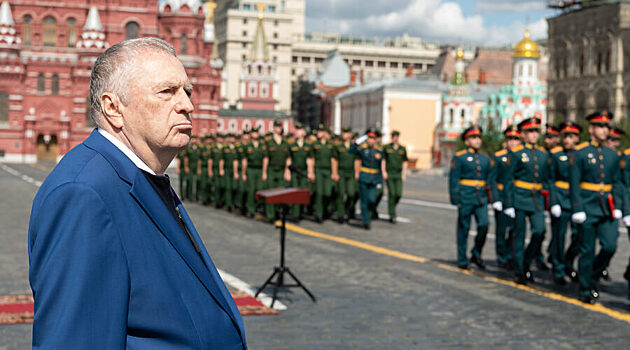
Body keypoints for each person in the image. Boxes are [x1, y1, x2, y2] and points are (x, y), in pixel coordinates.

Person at [28, 38, 247, 348]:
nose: (187, 105)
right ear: (113, 108)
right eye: (167, 92)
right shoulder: (84, 195)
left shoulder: (142, 175)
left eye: (187, 91)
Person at [570, 110, 628, 304]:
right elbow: (574, 182)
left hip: (606, 208)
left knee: (610, 246)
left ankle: (592, 276)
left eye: (607, 127)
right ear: (591, 129)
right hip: (587, 206)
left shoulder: (612, 154)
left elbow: (618, 182)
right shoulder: (580, 153)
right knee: (587, 250)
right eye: (601, 127)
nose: (605, 130)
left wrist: (620, 206)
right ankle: (585, 287)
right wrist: (577, 207)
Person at [503, 117, 549, 285]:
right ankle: (519, 271)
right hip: (520, 198)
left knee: (540, 231)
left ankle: (526, 261)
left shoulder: (543, 155)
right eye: (530, 132)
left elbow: (547, 179)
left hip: (536, 199)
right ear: (523, 135)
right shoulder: (516, 154)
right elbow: (508, 180)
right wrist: (508, 203)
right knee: (519, 236)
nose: (534, 135)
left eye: (536, 131)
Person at [449, 126, 496, 269]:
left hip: (480, 197)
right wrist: (455, 196)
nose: (477, 141)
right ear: (467, 141)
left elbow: (490, 179)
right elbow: (454, 178)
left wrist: (492, 198)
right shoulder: (460, 157)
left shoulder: (485, 158)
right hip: (466, 196)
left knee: (484, 224)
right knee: (464, 228)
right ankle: (462, 259)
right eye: (474, 138)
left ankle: (476, 253)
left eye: (479, 138)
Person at [548, 121, 582, 285]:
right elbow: (551, 180)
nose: (568, 139)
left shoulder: (581, 155)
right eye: (565, 136)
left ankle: (568, 262)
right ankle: (558, 269)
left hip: (577, 201)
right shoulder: (555, 155)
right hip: (561, 199)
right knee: (559, 237)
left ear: (577, 138)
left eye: (572, 136)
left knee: (580, 237)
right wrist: (553, 201)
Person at [492, 125, 521, 270]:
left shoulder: (522, 156)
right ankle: (502, 257)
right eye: (510, 139)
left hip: (517, 196)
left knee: (515, 229)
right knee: (501, 230)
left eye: (516, 139)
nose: (513, 142)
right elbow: (493, 180)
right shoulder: (499, 157)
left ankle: (512, 256)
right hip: (502, 196)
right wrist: (495, 199)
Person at [349, 129, 385, 230]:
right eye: (369, 138)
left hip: (374, 178)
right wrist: (360, 140)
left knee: (372, 199)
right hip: (364, 177)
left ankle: (368, 215)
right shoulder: (362, 149)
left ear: (375, 140)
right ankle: (366, 221)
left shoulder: (379, 151)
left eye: (372, 138)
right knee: (364, 200)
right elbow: (351, 150)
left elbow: (380, 166)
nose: (370, 140)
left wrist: (380, 180)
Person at [308, 124, 339, 223]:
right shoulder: (314, 144)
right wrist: (311, 172)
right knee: (319, 193)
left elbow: (334, 159)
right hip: (318, 170)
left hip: (328, 171)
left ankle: (326, 211)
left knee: (328, 193)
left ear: (325, 133)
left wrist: (334, 173)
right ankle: (319, 215)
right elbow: (311, 159)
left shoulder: (331, 145)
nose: (319, 133)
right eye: (318, 131)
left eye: (321, 131)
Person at [264, 119, 291, 221]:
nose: (278, 129)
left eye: (280, 127)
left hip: (281, 170)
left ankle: (276, 212)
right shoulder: (269, 142)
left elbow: (288, 158)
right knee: (270, 193)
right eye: (277, 127)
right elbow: (266, 158)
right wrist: (264, 172)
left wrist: (287, 171)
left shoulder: (285, 143)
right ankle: (270, 215)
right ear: (273, 128)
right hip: (271, 170)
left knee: (279, 193)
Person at [242, 126, 268, 218]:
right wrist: (244, 173)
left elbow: (265, 159)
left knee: (260, 189)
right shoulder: (247, 146)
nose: (255, 134)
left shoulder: (262, 146)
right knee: (251, 190)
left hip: (260, 169)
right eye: (253, 132)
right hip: (250, 169)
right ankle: (251, 210)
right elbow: (244, 160)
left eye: (256, 132)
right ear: (250, 134)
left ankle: (258, 207)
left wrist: (264, 172)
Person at [383, 130, 408, 224]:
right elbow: (383, 160)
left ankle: (392, 206)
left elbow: (405, 161)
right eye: (393, 136)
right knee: (392, 194)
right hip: (390, 173)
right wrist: (384, 171)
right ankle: (392, 215)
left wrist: (404, 174)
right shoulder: (386, 148)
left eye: (396, 136)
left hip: (398, 174)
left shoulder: (402, 149)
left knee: (398, 194)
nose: (395, 138)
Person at [335, 126, 359, 223]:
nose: (345, 134)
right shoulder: (339, 146)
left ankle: (346, 210)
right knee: (340, 194)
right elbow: (334, 160)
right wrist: (335, 172)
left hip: (351, 173)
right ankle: (341, 215)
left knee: (351, 193)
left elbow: (357, 160)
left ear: (350, 134)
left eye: (347, 132)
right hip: (341, 172)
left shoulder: (354, 147)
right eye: (344, 132)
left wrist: (357, 173)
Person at [288, 123, 312, 221]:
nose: (297, 132)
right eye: (296, 130)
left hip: (303, 171)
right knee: (294, 192)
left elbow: (309, 160)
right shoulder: (292, 145)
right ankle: (295, 214)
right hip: (294, 171)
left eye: (299, 130)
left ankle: (300, 212)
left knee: (302, 192)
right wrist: (287, 172)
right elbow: (289, 159)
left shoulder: (307, 145)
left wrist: (310, 172)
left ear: (304, 132)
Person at [221, 133, 240, 212]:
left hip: (235, 170)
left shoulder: (238, 148)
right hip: (227, 169)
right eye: (231, 137)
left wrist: (236, 172)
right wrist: (221, 169)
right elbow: (222, 159)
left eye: (233, 137)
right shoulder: (225, 148)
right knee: (228, 188)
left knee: (235, 187)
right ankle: (228, 204)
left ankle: (235, 203)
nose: (232, 139)